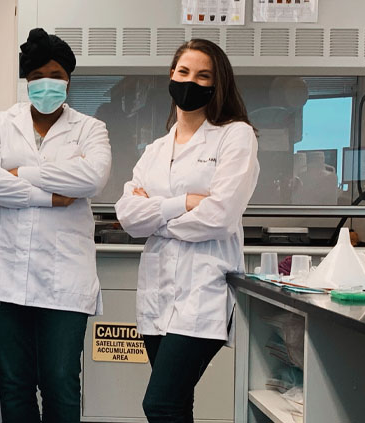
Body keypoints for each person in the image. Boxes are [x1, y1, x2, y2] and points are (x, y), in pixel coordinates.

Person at [0, 28, 111, 423]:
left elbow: (91, 179)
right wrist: (47, 194)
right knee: (14, 385)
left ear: (69, 80)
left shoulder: (90, 129)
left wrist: (16, 172)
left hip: (64, 279)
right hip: (2, 274)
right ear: (26, 81)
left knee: (61, 383)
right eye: (37, 78)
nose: (48, 85)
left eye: (57, 76)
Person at [114, 38, 259, 422]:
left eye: (203, 75)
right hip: (157, 294)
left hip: (203, 293)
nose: (190, 81)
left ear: (216, 84)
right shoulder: (155, 149)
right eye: (184, 72)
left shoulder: (236, 135)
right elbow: (128, 217)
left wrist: (157, 217)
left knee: (158, 404)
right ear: (171, 76)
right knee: (177, 406)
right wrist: (184, 203)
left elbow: (220, 216)